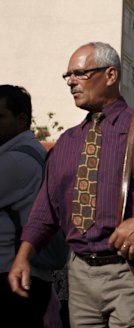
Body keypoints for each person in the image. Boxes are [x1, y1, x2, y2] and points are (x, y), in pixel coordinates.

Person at [8, 42, 134, 327]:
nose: (71, 82)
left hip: (131, 270)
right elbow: (45, 209)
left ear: (110, 75)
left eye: (80, 73)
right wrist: (23, 257)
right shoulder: (66, 143)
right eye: (67, 75)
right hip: (79, 272)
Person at [0, 85, 52, 327]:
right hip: (28, 275)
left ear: (21, 119)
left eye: (0, 117)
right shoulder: (35, 152)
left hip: (11, 275)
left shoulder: (16, 160)